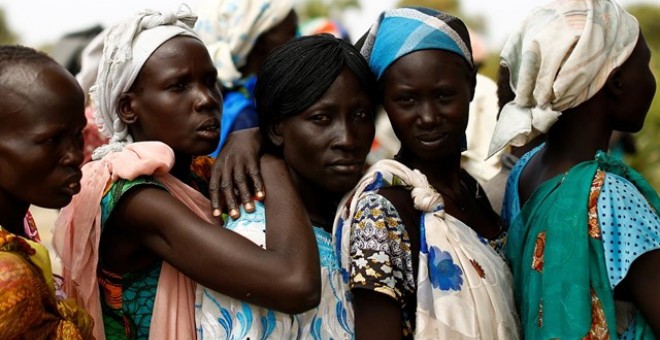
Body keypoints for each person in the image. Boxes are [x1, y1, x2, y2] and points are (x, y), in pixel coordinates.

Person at [213, 7, 521, 339]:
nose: (429, 117)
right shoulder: (380, 207)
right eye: (406, 99)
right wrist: (266, 152)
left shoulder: (471, 191)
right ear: (387, 102)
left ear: (471, 88)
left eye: (359, 114)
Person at [53, 7, 320, 340]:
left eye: (210, 82)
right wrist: (270, 157)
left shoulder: (199, 174)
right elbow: (294, 283)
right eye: (178, 86)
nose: (206, 99)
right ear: (128, 108)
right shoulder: (134, 199)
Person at [489, 0, 659, 338]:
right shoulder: (613, 197)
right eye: (646, 64)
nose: (652, 80)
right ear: (616, 83)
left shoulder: (524, 173)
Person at [197, 34, 378, 339]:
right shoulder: (256, 242)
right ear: (276, 129)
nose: (348, 138)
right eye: (321, 118)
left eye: (360, 116)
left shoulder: (357, 217)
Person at [0, 45, 93, 339]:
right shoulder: (9, 281)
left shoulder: (18, 220)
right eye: (52, 140)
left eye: (78, 134)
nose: (75, 155)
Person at [195, 0, 298, 158]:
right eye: (291, 34)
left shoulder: (229, 97)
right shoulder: (247, 115)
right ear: (259, 41)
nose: (298, 43)